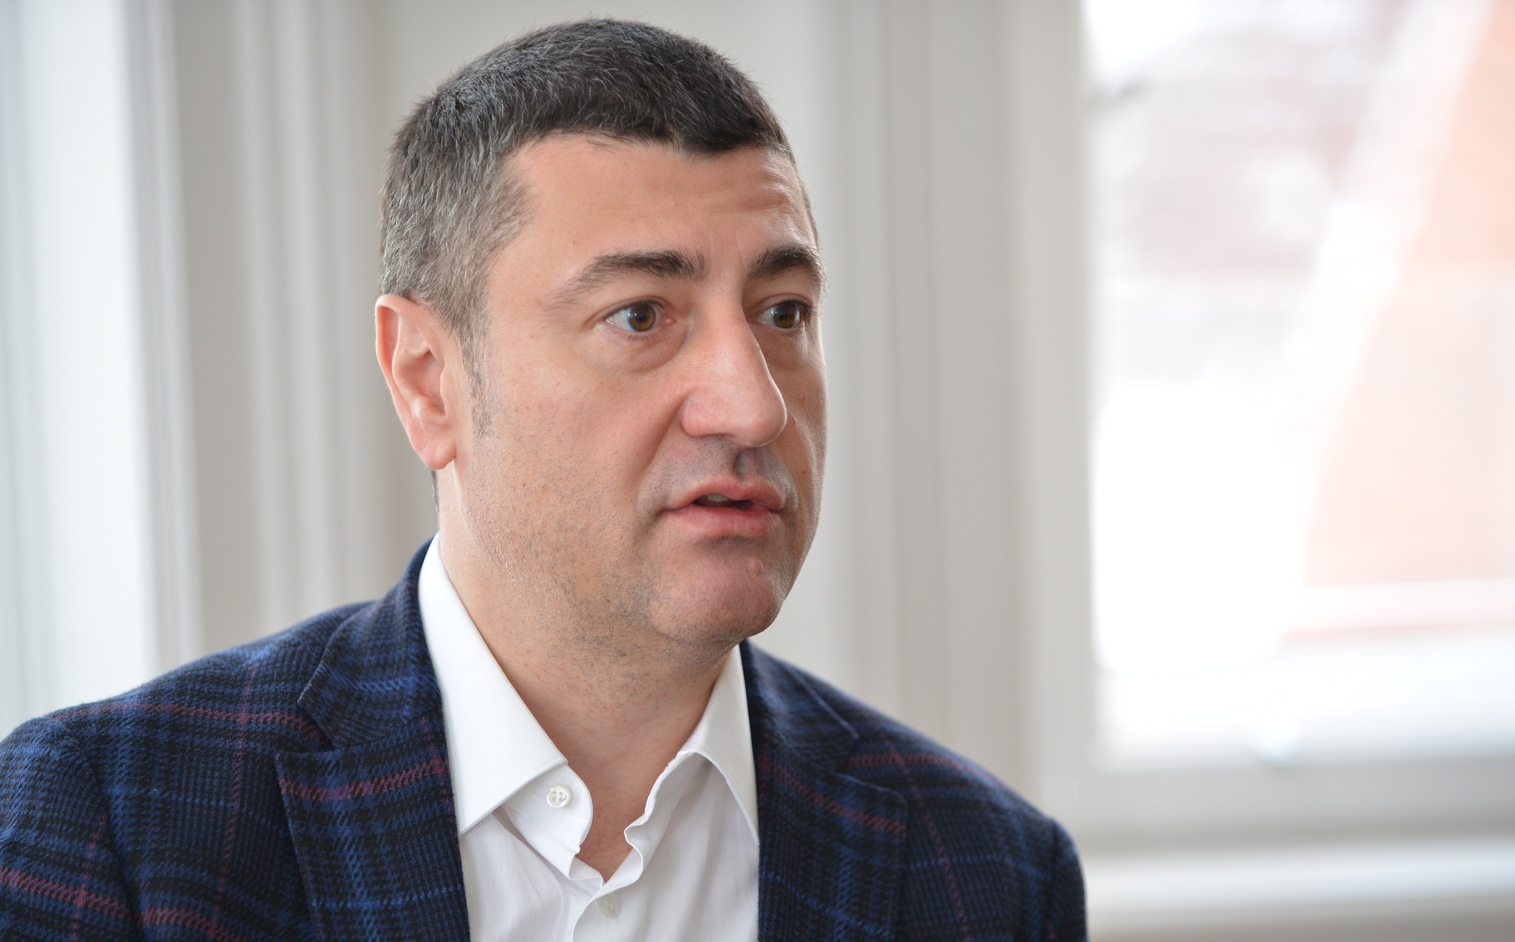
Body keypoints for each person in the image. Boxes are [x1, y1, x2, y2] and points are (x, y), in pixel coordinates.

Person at [0, 19, 1084, 942]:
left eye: (782, 313)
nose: (754, 408)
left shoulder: (990, 875)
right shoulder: (114, 830)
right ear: (428, 381)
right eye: (639, 316)